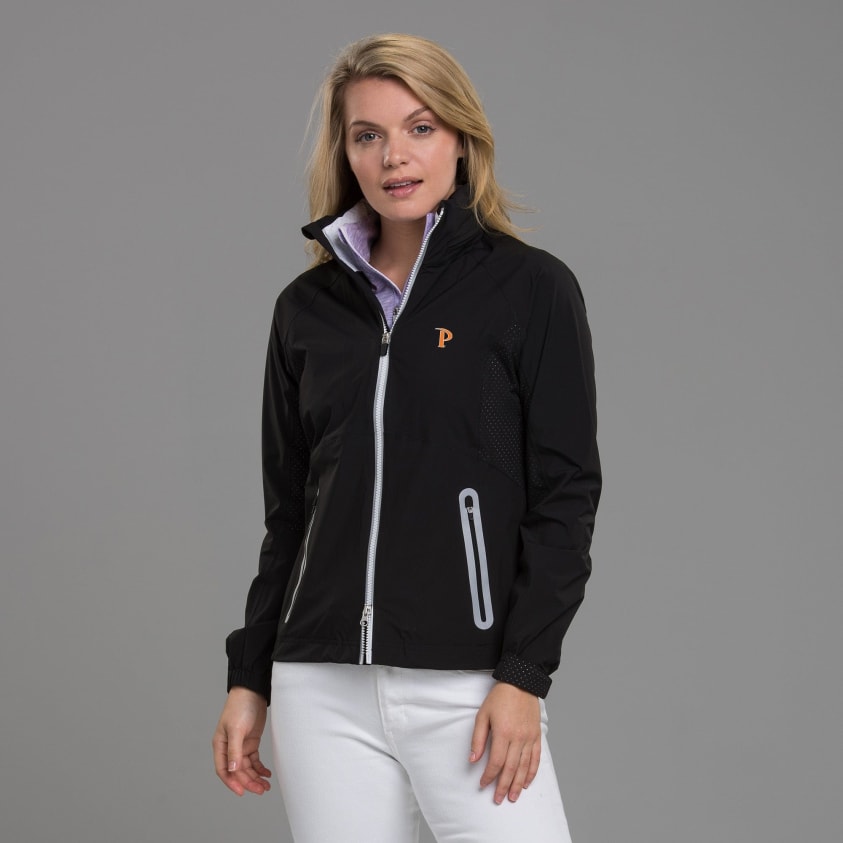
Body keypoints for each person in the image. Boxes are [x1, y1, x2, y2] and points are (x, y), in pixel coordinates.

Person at [212, 33, 601, 843]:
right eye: (368, 134)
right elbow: (289, 515)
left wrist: (523, 672)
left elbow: (565, 498)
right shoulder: (306, 311)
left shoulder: (529, 289)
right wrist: (249, 675)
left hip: (469, 681)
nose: (394, 155)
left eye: (419, 127)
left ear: (461, 137)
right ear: (345, 152)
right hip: (320, 684)